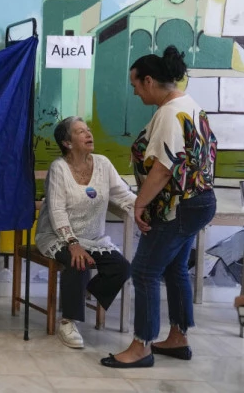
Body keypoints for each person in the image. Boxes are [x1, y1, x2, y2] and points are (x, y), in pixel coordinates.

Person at [101, 46, 217, 368]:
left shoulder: (169, 113)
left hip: (178, 206)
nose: (135, 92)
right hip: (199, 202)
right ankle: (178, 337)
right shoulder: (190, 105)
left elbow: (165, 167)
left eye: (135, 85)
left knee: (144, 271)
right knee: (174, 268)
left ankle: (142, 346)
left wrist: (139, 204)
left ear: (149, 81)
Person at [35, 116, 135, 349]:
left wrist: (144, 209)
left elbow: (122, 194)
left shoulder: (103, 163)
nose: (88, 134)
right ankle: (68, 322)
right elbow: (57, 210)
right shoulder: (59, 168)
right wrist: (72, 243)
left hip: (93, 238)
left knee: (121, 268)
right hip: (56, 236)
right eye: (80, 132)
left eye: (88, 130)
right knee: (77, 262)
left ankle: (80, 294)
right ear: (67, 143)